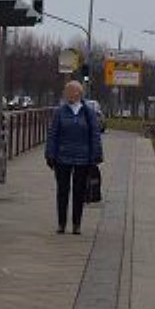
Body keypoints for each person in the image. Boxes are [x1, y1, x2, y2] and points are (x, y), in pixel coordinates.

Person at [44, 80, 104, 234]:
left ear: (79, 93)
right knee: (62, 191)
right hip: (62, 157)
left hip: (83, 158)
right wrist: (50, 154)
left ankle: (77, 224)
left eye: (71, 91)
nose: (67, 94)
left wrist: (96, 155)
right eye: (66, 91)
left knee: (79, 192)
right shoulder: (60, 112)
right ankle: (61, 223)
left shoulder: (88, 112)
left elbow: (95, 135)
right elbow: (52, 134)